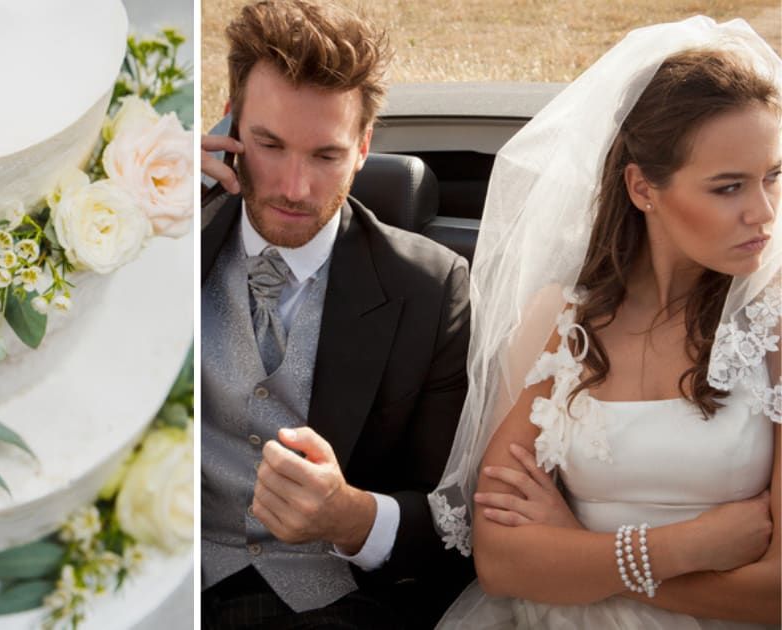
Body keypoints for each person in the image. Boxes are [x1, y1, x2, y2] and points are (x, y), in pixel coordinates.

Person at [428, 16, 781, 628]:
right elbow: (499, 561)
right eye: (728, 188)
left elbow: (776, 593)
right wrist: (680, 548)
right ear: (643, 188)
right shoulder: (565, 323)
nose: (764, 212)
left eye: (773, 177)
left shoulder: (772, 327)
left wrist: (582, 557)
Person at [200, 1, 474, 627]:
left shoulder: (431, 290)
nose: (294, 188)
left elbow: (455, 520)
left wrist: (352, 516)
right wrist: (148, 207)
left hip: (328, 604)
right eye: (269, 144)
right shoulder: (172, 230)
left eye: (325, 156)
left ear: (363, 147)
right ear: (231, 123)